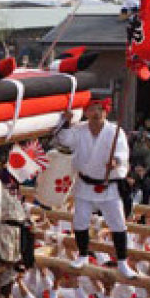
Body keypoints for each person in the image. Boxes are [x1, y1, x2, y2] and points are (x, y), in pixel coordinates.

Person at [56, 94, 134, 275]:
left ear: (106, 112)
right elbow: (65, 140)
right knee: (80, 220)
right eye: (92, 109)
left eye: (100, 109)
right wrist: (67, 122)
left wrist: (115, 161)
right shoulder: (79, 129)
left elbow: (123, 152)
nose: (96, 113)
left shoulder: (115, 131)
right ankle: (82, 254)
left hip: (108, 185)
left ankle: (122, 261)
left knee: (118, 223)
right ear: (86, 112)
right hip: (85, 183)